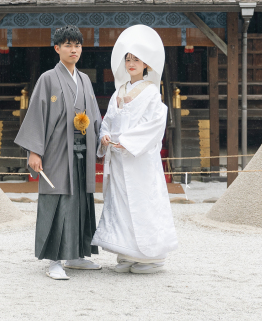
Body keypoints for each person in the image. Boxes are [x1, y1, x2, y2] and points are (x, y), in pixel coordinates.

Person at [14, 25, 102, 280]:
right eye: (67, 45)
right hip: (56, 151)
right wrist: (34, 151)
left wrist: (103, 139)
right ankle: (54, 260)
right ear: (57, 49)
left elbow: (95, 116)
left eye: (77, 45)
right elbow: (37, 116)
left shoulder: (84, 79)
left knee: (80, 201)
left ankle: (76, 255)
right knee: (59, 200)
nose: (73, 49)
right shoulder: (48, 79)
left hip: (82, 150)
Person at [92, 24, 178, 274]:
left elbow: (154, 124)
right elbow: (107, 120)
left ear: (146, 64)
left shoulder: (152, 93)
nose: (131, 63)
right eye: (128, 58)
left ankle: (151, 257)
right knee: (120, 205)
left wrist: (127, 142)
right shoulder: (118, 92)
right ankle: (127, 254)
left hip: (139, 160)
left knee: (143, 204)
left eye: (136, 59)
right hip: (119, 160)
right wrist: (106, 136)